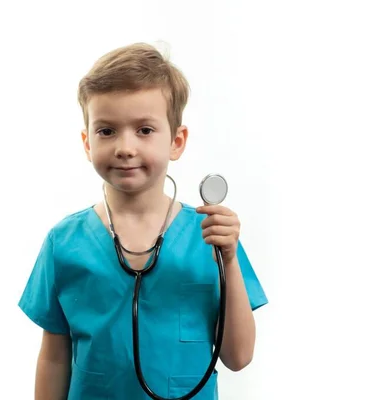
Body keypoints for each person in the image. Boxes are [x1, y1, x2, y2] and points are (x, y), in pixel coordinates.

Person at [18, 42, 268, 400]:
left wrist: (228, 259)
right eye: (106, 131)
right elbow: (55, 358)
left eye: (145, 130)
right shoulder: (64, 242)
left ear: (176, 142)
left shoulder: (211, 237)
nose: (125, 147)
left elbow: (239, 356)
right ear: (87, 143)